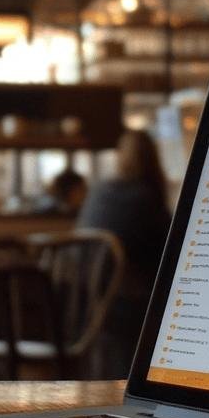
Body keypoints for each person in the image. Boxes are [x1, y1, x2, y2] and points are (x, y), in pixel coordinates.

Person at [77, 129, 172, 375]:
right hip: (125, 304)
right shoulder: (147, 198)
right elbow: (167, 252)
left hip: (85, 299)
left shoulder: (99, 191)